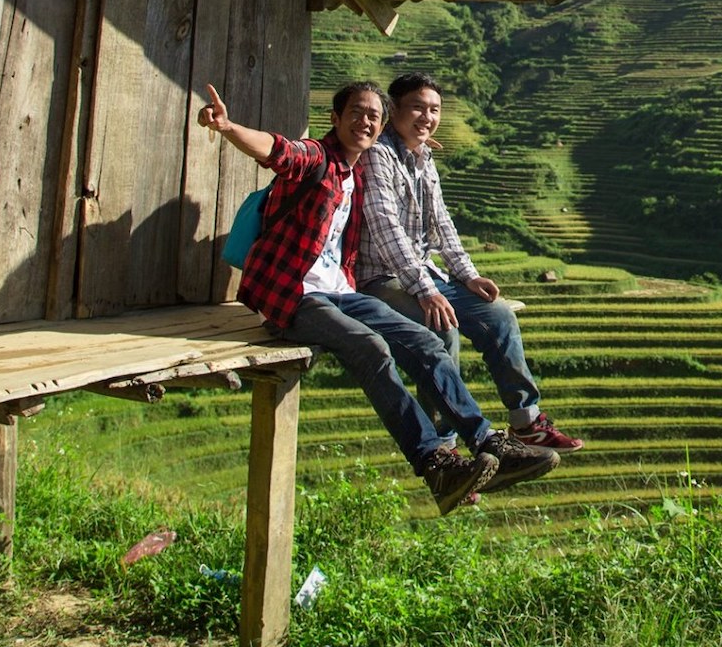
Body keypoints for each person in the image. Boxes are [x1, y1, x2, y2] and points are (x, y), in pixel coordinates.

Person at [197, 80, 557, 513]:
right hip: (292, 295)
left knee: (426, 342)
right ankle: (434, 462)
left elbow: (423, 194)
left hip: (340, 290)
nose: (364, 122)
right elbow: (278, 150)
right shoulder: (319, 158)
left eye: (373, 115)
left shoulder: (365, 166)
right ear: (335, 118)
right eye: (356, 112)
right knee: (372, 347)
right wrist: (228, 127)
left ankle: (489, 443)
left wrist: (418, 143)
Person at [357, 71, 584, 453]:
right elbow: (385, 229)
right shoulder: (378, 155)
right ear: (393, 109)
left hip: (424, 273)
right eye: (417, 107)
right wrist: (427, 292)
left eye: (434, 109)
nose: (427, 117)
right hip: (381, 277)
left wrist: (468, 275)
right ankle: (446, 448)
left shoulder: (424, 156)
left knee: (498, 315)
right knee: (441, 330)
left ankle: (526, 421)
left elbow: (442, 222)